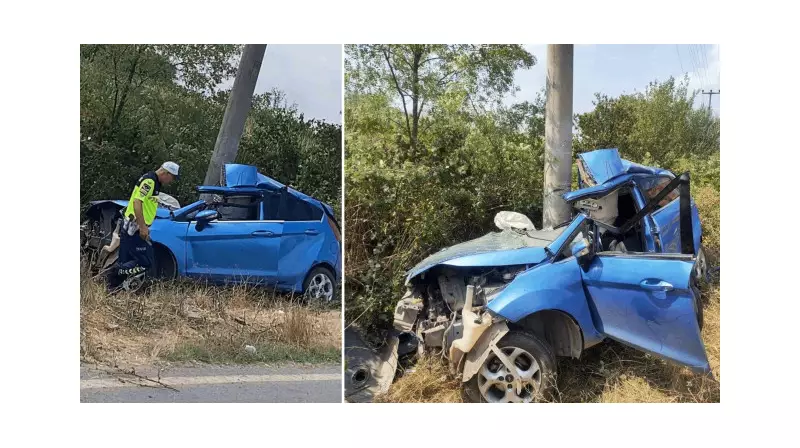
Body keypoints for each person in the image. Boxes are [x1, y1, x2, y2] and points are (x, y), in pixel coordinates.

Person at [112, 162, 179, 291]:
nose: (171, 181)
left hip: (133, 224)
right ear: (166, 173)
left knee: (127, 259)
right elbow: (138, 202)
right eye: (172, 178)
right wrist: (142, 226)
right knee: (146, 261)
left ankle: (115, 287)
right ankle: (114, 273)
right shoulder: (150, 181)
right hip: (135, 226)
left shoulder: (153, 181)